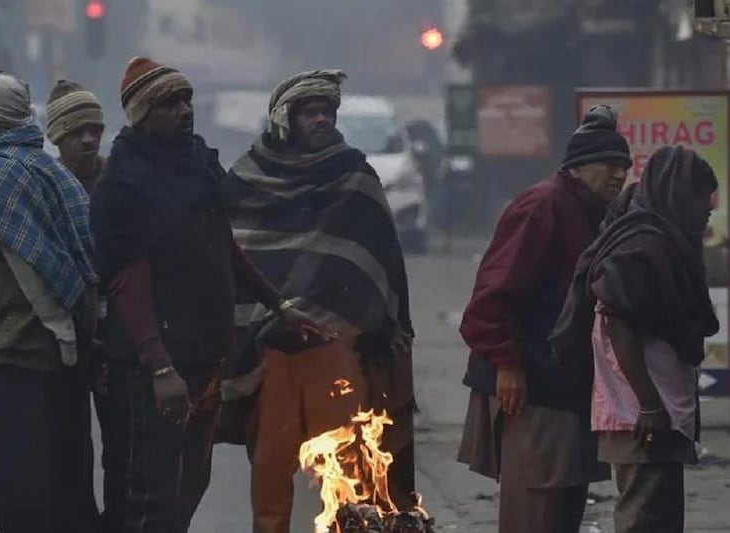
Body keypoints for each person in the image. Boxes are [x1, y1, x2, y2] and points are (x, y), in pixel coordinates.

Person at [91, 57, 326, 533]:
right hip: (157, 369)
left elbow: (222, 246)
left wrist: (279, 304)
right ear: (141, 117)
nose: (184, 111)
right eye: (169, 104)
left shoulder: (195, 163)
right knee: (150, 500)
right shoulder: (125, 182)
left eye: (187, 100)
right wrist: (160, 367)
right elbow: (126, 280)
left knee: (189, 489)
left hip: (204, 360)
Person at [219, 69, 417, 533]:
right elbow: (227, 257)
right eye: (311, 112)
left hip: (335, 345)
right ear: (285, 119)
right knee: (271, 468)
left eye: (328, 110)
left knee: (352, 464)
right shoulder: (246, 177)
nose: (322, 119)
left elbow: (382, 261)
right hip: (270, 351)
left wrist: (385, 331)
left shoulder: (355, 175)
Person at [0, 66, 101, 533]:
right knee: (69, 500)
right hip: (68, 365)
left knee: (23, 504)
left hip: (22, 365)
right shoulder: (53, 170)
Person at [456, 105, 633, 533]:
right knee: (536, 508)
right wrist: (507, 364)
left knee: (564, 505)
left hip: (564, 382)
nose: (619, 174)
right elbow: (490, 300)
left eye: (624, 166)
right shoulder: (541, 207)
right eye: (609, 164)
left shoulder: (593, 210)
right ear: (577, 167)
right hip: (529, 384)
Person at [552, 146, 719, 533]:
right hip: (642, 416)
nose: (708, 207)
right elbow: (618, 322)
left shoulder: (657, 240)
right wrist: (649, 404)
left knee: (659, 517)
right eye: (701, 196)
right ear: (676, 194)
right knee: (645, 520)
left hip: (654, 413)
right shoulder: (642, 246)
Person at [46, 79, 106, 195]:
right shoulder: (44, 186)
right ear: (57, 138)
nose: (88, 139)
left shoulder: (121, 177)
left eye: (94, 129)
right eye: (77, 132)